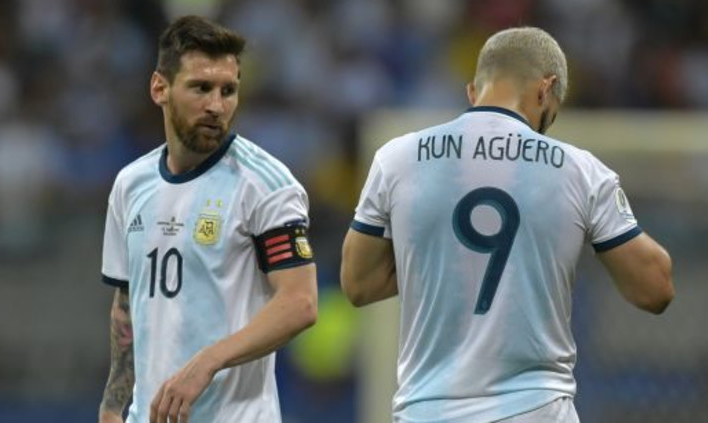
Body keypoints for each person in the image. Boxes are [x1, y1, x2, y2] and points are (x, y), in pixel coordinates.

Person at [340, 27, 674, 423]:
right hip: (536, 410)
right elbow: (655, 289)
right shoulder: (580, 171)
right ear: (545, 90)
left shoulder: (397, 159)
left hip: (427, 411)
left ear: (473, 92)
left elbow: (358, 284)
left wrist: (442, 259)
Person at [98, 15, 318, 423]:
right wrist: (113, 407)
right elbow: (127, 304)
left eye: (228, 90)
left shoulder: (265, 184)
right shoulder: (131, 184)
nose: (216, 106)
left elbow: (300, 303)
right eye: (201, 88)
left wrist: (208, 361)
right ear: (160, 88)